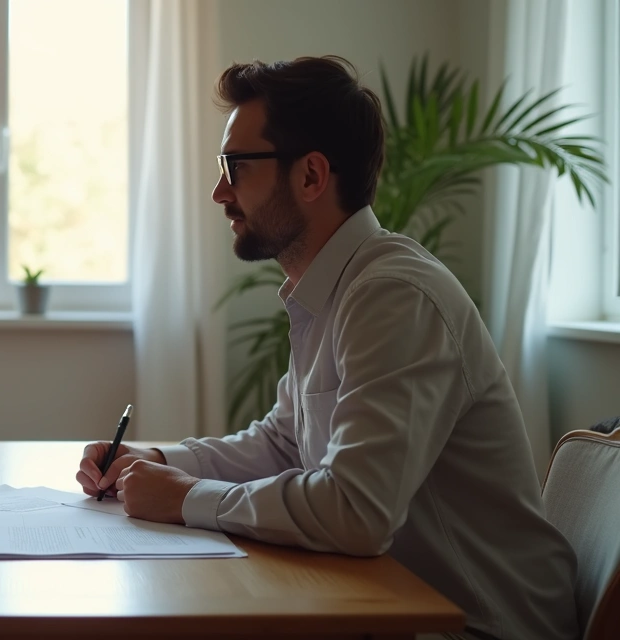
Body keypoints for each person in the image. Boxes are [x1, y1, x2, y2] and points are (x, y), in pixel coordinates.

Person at [77, 56, 577, 640]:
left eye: (235, 167)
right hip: (390, 609)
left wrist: (187, 497)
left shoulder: (393, 296)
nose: (219, 192)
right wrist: (162, 461)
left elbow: (355, 511)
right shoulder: (337, 288)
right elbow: (286, 442)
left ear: (312, 177)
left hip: (482, 627)